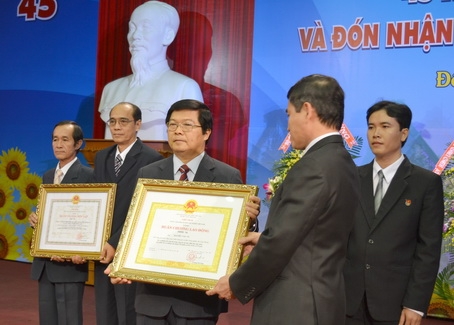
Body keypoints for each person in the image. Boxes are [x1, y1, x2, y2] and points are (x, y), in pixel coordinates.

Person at [206, 74, 361, 324]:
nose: (287, 125)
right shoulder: (341, 161)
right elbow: (315, 233)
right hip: (321, 299)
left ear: (307, 110)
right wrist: (263, 238)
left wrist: (236, 283)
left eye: (289, 114)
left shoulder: (315, 166)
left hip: (295, 306)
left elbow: (281, 241)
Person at [106, 99, 261, 325]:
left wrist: (251, 219)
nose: (178, 130)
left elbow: (237, 231)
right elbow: (136, 225)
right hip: (151, 297)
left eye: (187, 125)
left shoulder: (227, 176)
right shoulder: (148, 174)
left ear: (206, 132)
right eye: (172, 124)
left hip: (198, 301)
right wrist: (123, 261)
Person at [344, 100, 444, 325]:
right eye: (371, 127)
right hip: (348, 300)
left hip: (394, 304)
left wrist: (416, 304)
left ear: (404, 133)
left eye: (385, 126)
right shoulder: (351, 177)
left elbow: (428, 249)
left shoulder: (425, 183)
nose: (375, 134)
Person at [93, 102, 163, 325]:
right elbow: (96, 201)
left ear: (138, 124)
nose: (116, 127)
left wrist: (115, 242)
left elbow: (142, 209)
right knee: (105, 312)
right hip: (101, 248)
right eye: (112, 121)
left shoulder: (152, 159)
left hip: (130, 246)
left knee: (128, 314)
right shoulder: (102, 156)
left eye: (123, 121)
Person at [98, 0, 203, 141]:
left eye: (145, 27)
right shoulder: (111, 89)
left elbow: (192, 145)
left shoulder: (184, 88)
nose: (135, 36)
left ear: (168, 36)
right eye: (132, 28)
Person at [29, 121, 93, 325]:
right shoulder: (48, 176)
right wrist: (36, 220)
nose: (58, 144)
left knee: (69, 319)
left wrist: (82, 250)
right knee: (47, 318)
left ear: (78, 144)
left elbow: (91, 220)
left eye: (65, 139)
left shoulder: (88, 176)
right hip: (46, 262)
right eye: (55, 139)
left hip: (70, 265)